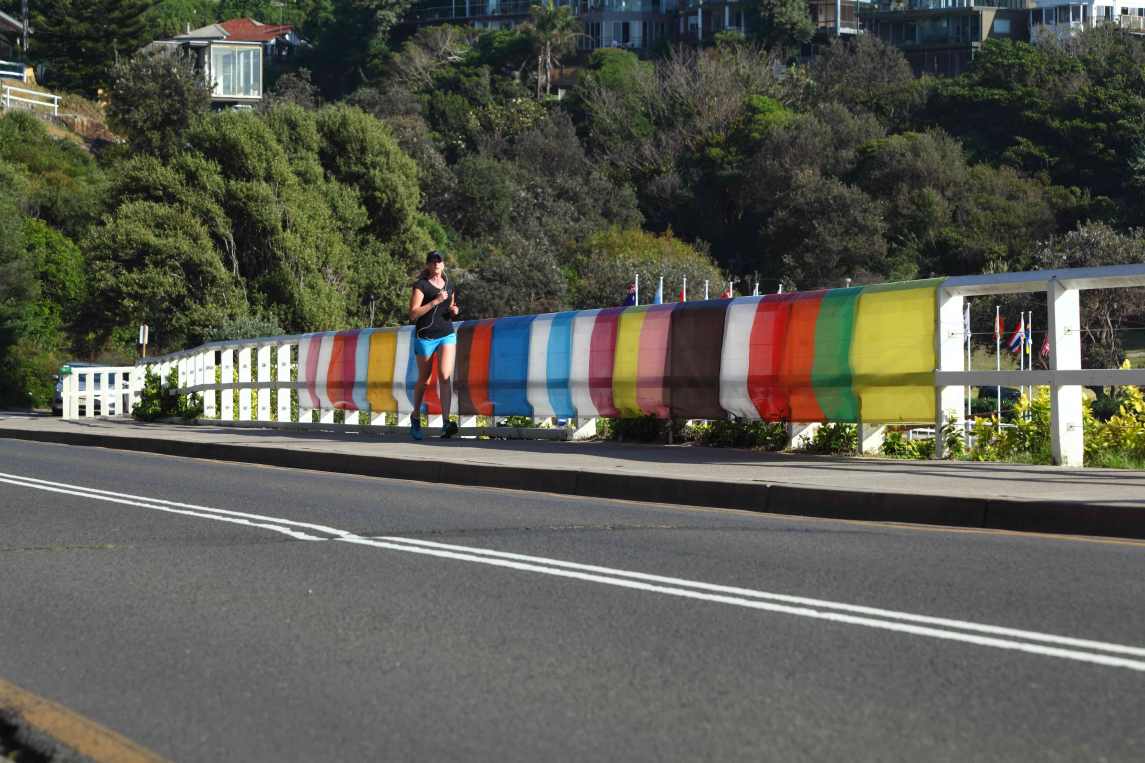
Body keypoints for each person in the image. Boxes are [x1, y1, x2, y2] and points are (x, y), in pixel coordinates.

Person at [409, 250, 459, 440]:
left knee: (445, 377)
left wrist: (454, 310)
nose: (436, 263)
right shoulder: (421, 286)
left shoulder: (449, 284)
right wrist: (435, 301)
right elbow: (413, 313)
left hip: (446, 334)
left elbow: (451, 307)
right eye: (432, 261)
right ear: (428, 265)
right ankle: (415, 416)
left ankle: (446, 422)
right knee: (425, 379)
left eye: (439, 260)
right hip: (425, 337)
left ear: (443, 264)